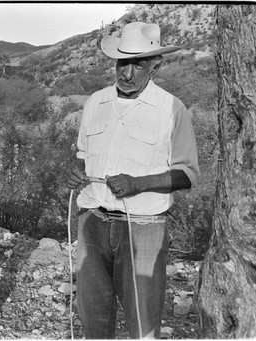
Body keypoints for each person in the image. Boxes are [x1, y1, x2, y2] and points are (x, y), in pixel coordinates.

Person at [65, 22, 200, 339]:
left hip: (144, 229)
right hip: (91, 224)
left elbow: (188, 175)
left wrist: (139, 184)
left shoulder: (171, 109)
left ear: (156, 64)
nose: (126, 73)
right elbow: (83, 155)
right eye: (122, 63)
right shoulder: (95, 102)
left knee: (143, 325)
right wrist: (74, 170)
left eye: (137, 64)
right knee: (93, 323)